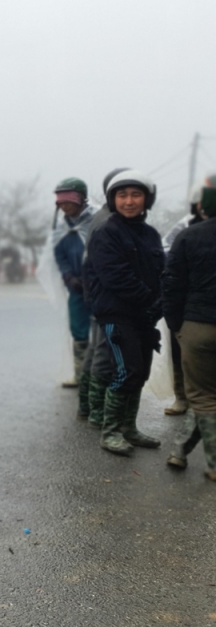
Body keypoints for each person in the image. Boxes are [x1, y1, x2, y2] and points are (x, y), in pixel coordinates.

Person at [86, 170, 165, 455]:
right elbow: (115, 277)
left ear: (146, 199)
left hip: (144, 316)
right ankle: (111, 432)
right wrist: (151, 300)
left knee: (141, 373)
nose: (129, 201)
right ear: (113, 199)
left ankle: (129, 427)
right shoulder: (107, 232)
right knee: (126, 371)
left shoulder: (150, 234)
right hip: (118, 315)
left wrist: (160, 303)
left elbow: (161, 273)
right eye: (122, 195)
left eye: (136, 195)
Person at [163, 177, 216, 475]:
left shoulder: (189, 236)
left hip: (198, 327)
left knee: (203, 395)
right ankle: (180, 450)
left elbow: (171, 285)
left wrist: (177, 327)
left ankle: (203, 459)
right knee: (208, 394)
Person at [78, 167, 129, 426]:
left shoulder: (105, 217)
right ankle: (96, 411)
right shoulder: (108, 221)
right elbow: (95, 265)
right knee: (103, 353)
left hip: (98, 297)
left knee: (96, 352)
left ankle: (87, 406)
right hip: (106, 299)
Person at [159, 185, 209, 415]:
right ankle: (182, 396)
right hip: (189, 307)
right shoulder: (185, 227)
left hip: (199, 311)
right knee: (181, 354)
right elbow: (167, 255)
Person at [51, 178, 96, 388]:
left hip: (99, 287)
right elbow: (59, 254)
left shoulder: (96, 221)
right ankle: (81, 375)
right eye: (60, 201)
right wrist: (68, 276)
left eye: (68, 199)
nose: (64, 205)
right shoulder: (62, 228)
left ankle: (101, 376)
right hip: (76, 287)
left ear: (81, 199)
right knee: (78, 330)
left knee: (103, 332)